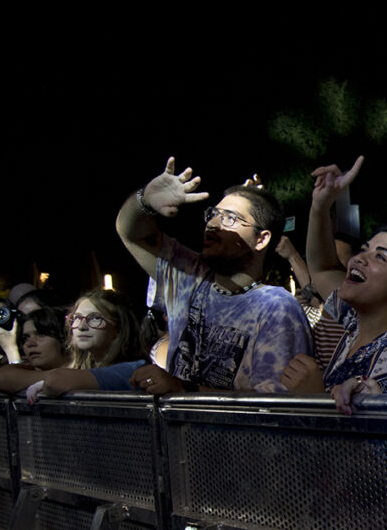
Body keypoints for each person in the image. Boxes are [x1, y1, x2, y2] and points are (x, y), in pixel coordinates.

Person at [116, 157, 313, 394]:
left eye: (229, 218)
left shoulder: (276, 307)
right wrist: (144, 201)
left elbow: (273, 406)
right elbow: (130, 232)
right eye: (213, 214)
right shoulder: (190, 278)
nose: (212, 224)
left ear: (262, 239)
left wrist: (184, 390)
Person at [279, 158, 387, 413]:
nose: (359, 258)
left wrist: (312, 399)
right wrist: (321, 205)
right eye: (364, 249)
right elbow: (322, 269)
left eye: (380, 256)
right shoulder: (357, 321)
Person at [0, 306, 73, 394]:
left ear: (64, 338)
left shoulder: (80, 372)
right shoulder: (29, 368)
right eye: (25, 338)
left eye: (41, 334)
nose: (30, 343)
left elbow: (4, 378)